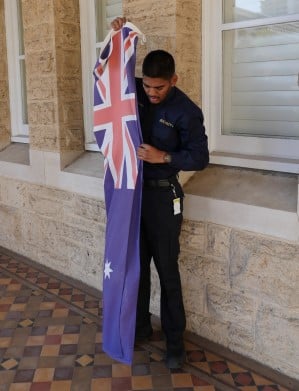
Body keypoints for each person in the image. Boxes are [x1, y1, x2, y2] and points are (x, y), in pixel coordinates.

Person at [111, 17, 209, 369]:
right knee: (135, 266)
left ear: (174, 81)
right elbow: (111, 77)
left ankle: (174, 344)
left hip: (165, 198)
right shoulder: (135, 90)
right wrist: (117, 36)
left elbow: (201, 157)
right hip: (134, 197)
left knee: (167, 271)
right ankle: (138, 329)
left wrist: (163, 156)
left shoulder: (186, 111)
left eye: (159, 88)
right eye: (148, 87)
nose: (151, 94)